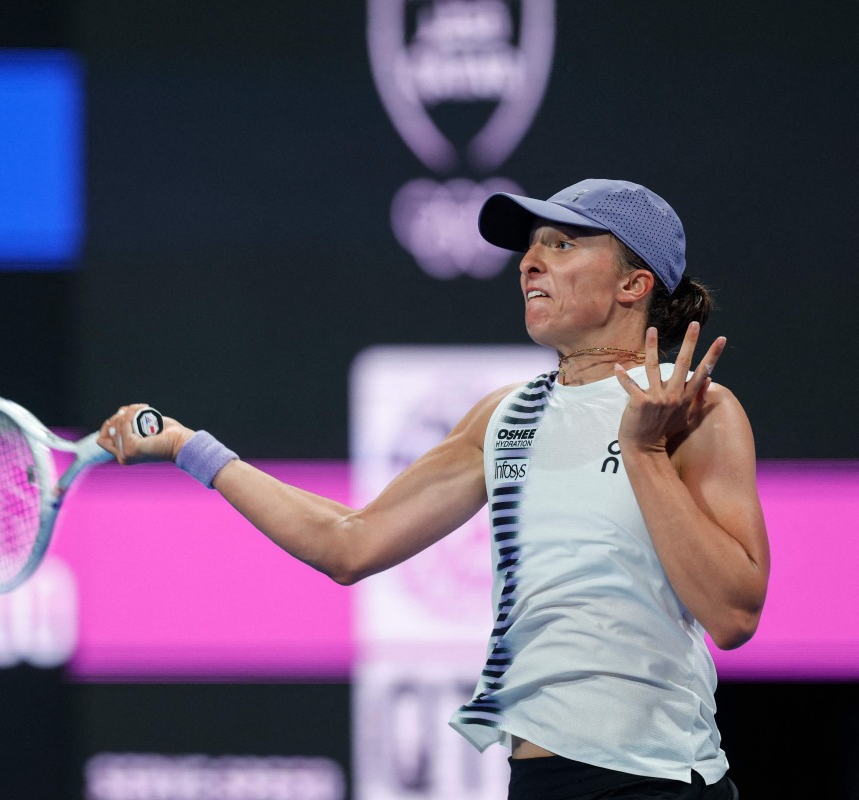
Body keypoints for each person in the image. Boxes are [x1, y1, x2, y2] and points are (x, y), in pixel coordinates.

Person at [98, 179, 768, 799]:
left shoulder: (699, 410)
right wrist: (189, 447)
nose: (529, 263)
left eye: (561, 245)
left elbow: (734, 616)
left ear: (633, 284)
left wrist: (644, 451)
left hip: (656, 780)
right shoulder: (504, 416)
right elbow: (349, 544)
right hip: (537, 780)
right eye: (531, 248)